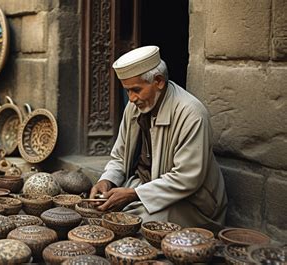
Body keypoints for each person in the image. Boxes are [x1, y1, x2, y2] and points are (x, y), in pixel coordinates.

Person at [90, 46, 228, 232]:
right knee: (101, 214)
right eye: (127, 91)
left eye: (136, 90)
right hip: (145, 187)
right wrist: (107, 181)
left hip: (190, 203)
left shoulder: (191, 113)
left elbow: (187, 178)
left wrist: (133, 194)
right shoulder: (134, 107)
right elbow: (120, 157)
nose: (131, 98)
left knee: (132, 227)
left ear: (158, 81)